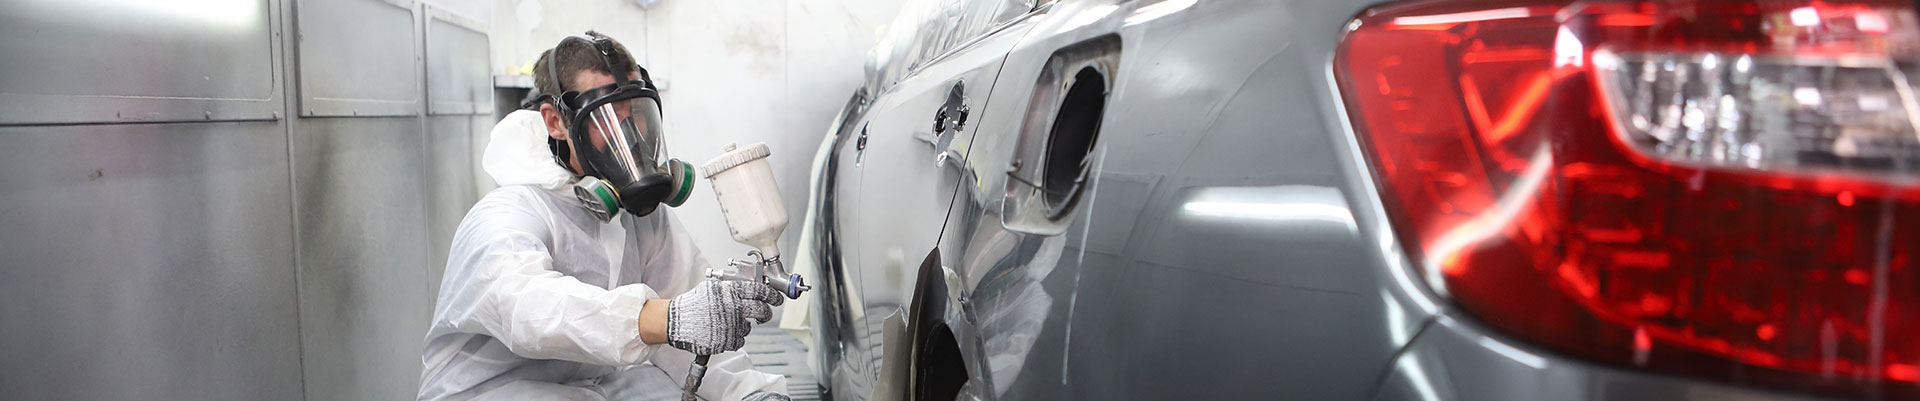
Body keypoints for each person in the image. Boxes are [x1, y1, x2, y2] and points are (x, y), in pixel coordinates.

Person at [419, 31, 791, 401]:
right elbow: (530, 311)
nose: (630, 135)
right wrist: (667, 318)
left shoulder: (641, 216)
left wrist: (748, 393)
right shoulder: (507, 214)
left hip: (590, 386)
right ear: (556, 122)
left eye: (637, 113)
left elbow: (689, 315)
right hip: (491, 392)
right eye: (607, 117)